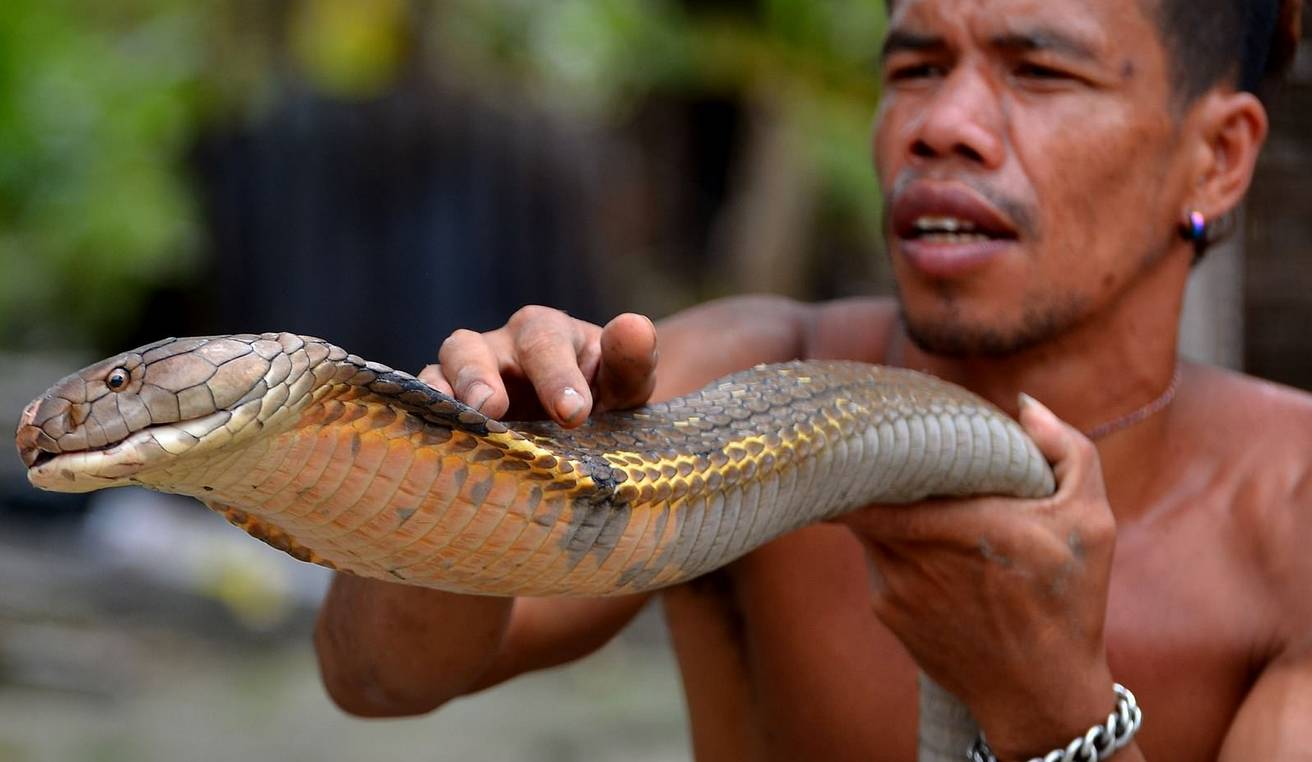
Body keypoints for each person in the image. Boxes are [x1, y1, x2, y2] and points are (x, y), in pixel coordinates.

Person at [313, 0, 1312, 759]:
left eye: (1039, 72)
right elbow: (375, 680)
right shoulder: (735, 379)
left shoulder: (1294, 518)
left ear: (1216, 160)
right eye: (916, 67)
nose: (941, 124)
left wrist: (1053, 710)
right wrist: (465, 478)